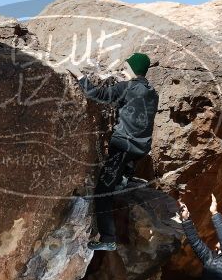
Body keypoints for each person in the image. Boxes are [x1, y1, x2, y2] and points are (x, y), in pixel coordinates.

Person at [68, 52, 159, 251]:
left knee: (102, 192)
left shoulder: (127, 88)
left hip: (124, 148)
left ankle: (108, 238)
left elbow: (96, 95)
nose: (122, 72)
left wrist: (78, 74)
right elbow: (133, 107)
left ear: (134, 70)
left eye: (126, 69)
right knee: (118, 177)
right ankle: (125, 179)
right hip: (140, 149)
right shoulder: (152, 92)